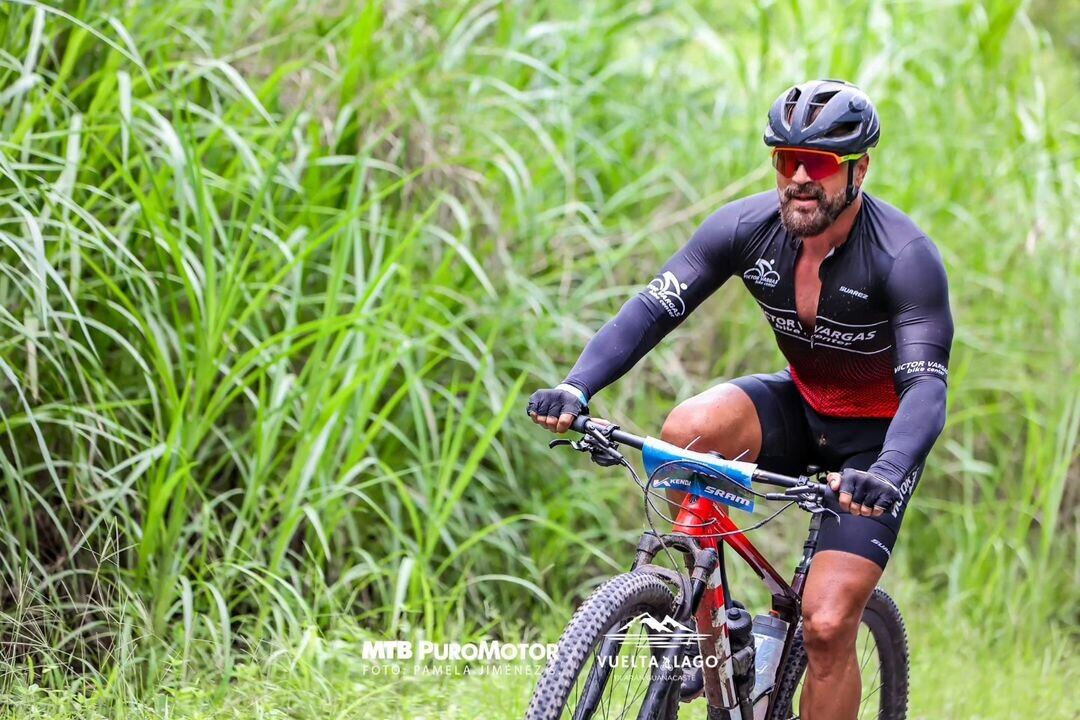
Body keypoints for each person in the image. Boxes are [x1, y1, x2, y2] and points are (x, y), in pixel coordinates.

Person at [526, 79, 953, 720]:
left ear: (858, 169)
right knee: (685, 433)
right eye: (787, 161)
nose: (799, 180)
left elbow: (926, 384)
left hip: (875, 442)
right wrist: (576, 385)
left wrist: (888, 472)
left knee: (829, 622)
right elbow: (655, 306)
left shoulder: (904, 257)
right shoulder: (747, 228)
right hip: (801, 404)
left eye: (819, 165)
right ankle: (713, 637)